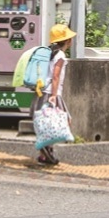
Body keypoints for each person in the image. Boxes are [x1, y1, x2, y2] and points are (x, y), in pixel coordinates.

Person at [31, 24, 77, 165]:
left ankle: (46, 153)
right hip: (52, 92)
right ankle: (46, 151)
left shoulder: (50, 52)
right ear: (67, 41)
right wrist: (54, 95)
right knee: (64, 120)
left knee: (48, 122)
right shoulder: (60, 55)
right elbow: (56, 76)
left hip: (43, 90)